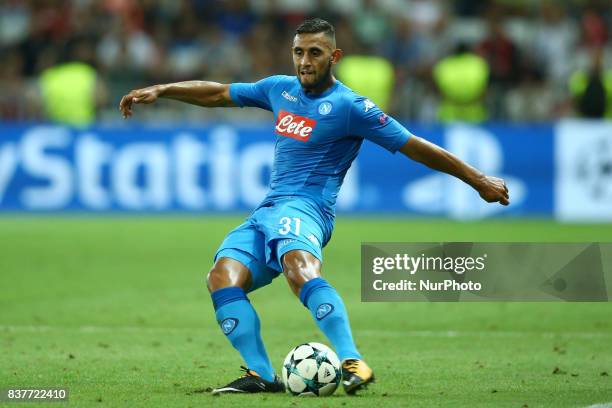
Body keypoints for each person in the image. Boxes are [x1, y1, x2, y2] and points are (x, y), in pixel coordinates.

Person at [119, 18, 509, 396]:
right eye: (299, 52)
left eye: (315, 53)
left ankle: (354, 361)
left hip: (308, 209)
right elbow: (219, 93)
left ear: (334, 56)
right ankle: (260, 373)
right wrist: (164, 88)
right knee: (221, 277)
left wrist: (478, 180)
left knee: (298, 268)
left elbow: (414, 146)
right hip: (268, 210)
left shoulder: (352, 107)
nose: (305, 61)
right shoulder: (279, 89)